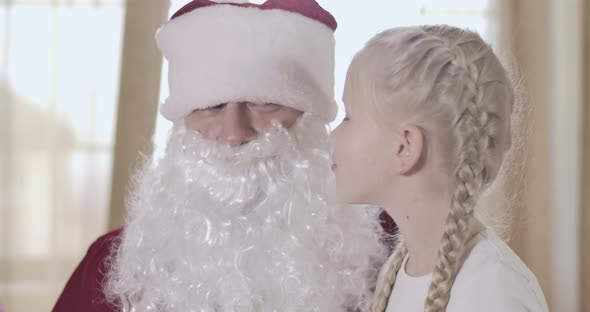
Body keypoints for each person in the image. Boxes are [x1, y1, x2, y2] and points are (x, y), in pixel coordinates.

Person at [53, 0, 387, 311]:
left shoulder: (389, 255)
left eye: (263, 103)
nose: (234, 133)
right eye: (211, 108)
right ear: (182, 122)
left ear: (311, 118)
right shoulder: (111, 267)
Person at [330, 25, 549, 311]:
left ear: (405, 147)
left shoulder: (492, 294)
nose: (331, 137)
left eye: (348, 117)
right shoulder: (398, 271)